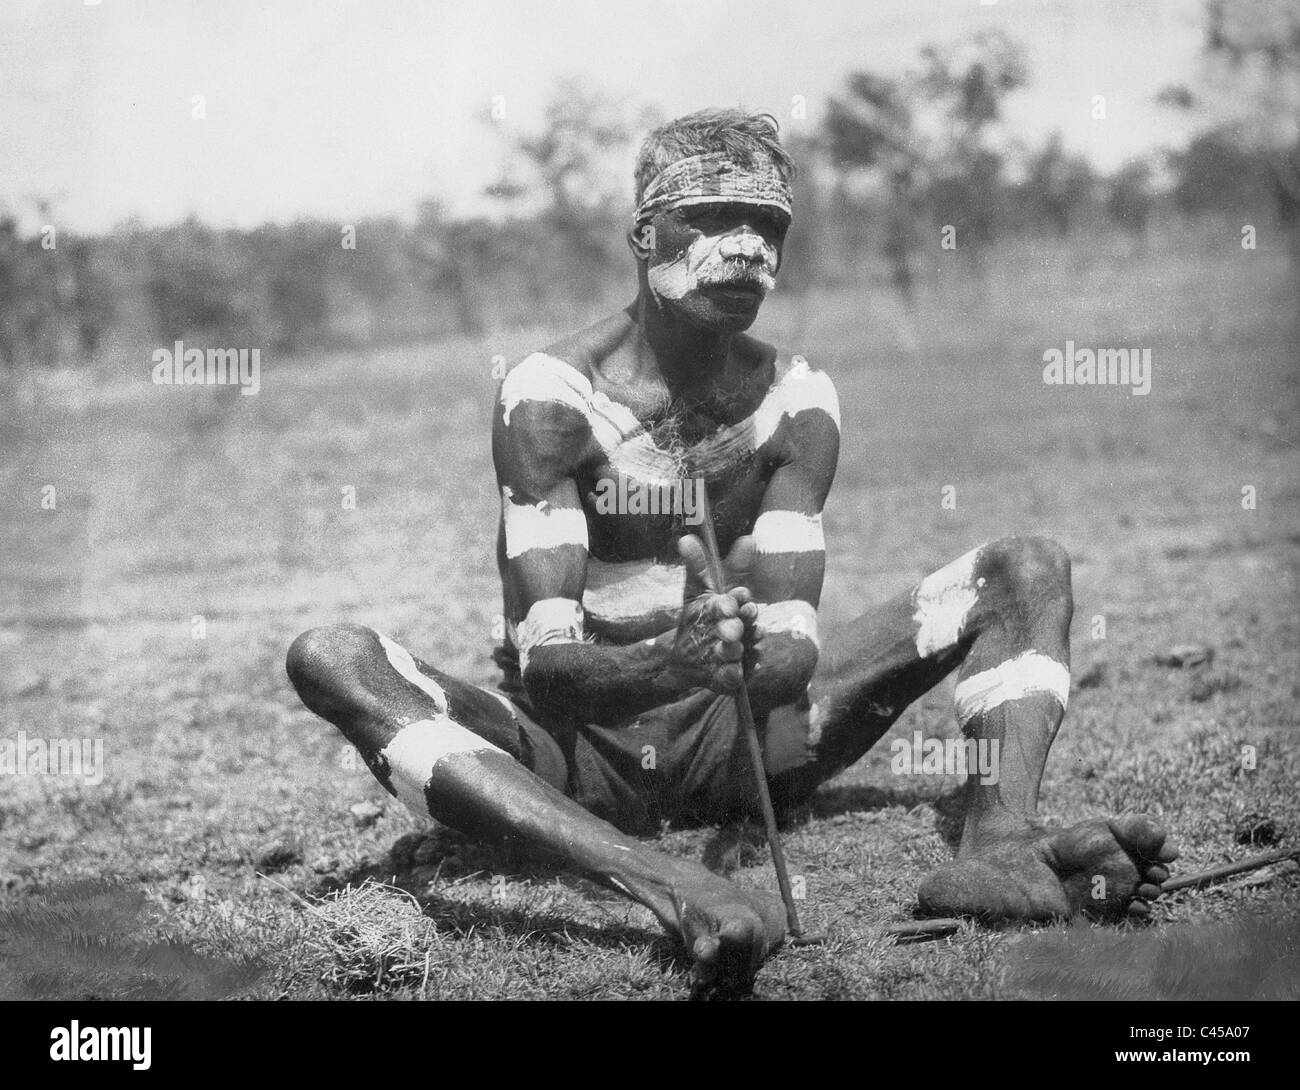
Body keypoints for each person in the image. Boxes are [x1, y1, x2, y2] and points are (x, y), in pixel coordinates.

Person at [287, 108, 1177, 998]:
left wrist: (754, 654)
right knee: (333, 659)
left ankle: (1002, 841)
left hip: (749, 738)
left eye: (771, 227)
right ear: (645, 235)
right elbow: (550, 671)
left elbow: (794, 646)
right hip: (573, 760)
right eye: (715, 220)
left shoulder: (796, 400)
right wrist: (674, 659)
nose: (749, 250)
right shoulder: (552, 397)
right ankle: (674, 886)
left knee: (1023, 569)